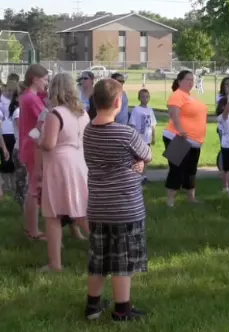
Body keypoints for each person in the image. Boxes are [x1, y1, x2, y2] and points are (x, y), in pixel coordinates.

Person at [83, 79, 152, 322]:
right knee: (122, 262)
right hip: (125, 209)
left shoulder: (88, 131)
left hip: (98, 207)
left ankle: (93, 306)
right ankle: (122, 310)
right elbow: (147, 154)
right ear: (117, 102)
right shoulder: (125, 133)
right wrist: (138, 164)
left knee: (99, 259)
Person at [38, 73, 90, 272]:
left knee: (52, 215)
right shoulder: (83, 113)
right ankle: (107, 250)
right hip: (79, 161)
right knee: (81, 210)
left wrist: (38, 142)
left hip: (59, 164)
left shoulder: (55, 113)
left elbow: (49, 144)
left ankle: (55, 264)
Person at [163, 70, 208, 207]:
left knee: (191, 170)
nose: (191, 82)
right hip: (178, 137)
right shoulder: (177, 95)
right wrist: (180, 129)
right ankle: (170, 201)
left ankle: (191, 198)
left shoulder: (191, 97)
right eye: (188, 79)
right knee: (177, 169)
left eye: (192, 80)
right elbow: (174, 113)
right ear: (179, 81)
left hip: (195, 142)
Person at [19, 63, 49, 241]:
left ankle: (30, 227)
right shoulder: (31, 99)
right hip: (33, 147)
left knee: (32, 188)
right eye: (44, 79)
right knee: (34, 189)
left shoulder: (27, 96)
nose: (46, 83)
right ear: (35, 79)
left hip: (27, 144)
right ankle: (33, 230)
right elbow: (45, 118)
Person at [129, 89, 157, 184]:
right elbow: (132, 124)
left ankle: (144, 176)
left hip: (147, 139)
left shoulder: (150, 110)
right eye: (143, 97)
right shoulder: (136, 110)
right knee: (138, 159)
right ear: (139, 98)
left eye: (147, 97)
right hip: (139, 139)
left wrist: (153, 136)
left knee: (146, 159)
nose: (145, 98)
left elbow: (153, 124)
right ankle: (137, 177)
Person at [0, 73, 20, 191]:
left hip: (11, 132)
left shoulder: (15, 102)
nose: (9, 92)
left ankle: (10, 185)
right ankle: (8, 185)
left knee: (10, 159)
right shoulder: (3, 99)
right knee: (7, 158)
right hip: (6, 132)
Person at [9, 83, 27, 211]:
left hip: (27, 149)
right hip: (20, 149)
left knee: (27, 181)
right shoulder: (18, 112)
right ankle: (23, 208)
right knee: (22, 181)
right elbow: (24, 131)